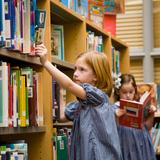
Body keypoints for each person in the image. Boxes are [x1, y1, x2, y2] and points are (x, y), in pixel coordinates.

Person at [35, 43, 123, 160]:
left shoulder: (97, 97)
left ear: (96, 76)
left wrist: (46, 63)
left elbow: (70, 85)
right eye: (75, 69)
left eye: (82, 70)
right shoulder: (81, 105)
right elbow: (61, 117)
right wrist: (60, 92)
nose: (75, 74)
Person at [113, 73, 157, 160]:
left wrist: (151, 114)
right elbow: (111, 131)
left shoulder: (139, 106)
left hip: (141, 144)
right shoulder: (114, 108)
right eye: (124, 92)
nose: (128, 95)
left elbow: (147, 127)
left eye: (131, 92)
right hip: (125, 144)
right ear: (118, 92)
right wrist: (116, 117)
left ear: (135, 91)